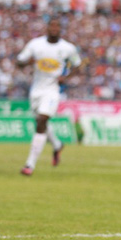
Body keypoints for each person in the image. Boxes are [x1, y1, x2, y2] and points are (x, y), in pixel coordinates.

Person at [16, 18, 81, 176]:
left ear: (60, 29)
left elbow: (77, 64)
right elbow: (19, 62)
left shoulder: (67, 48)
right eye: (51, 25)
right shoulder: (35, 44)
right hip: (36, 90)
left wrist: (66, 77)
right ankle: (57, 145)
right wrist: (27, 62)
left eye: (57, 26)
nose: (54, 28)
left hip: (52, 90)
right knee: (40, 122)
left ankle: (29, 165)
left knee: (42, 121)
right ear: (47, 28)